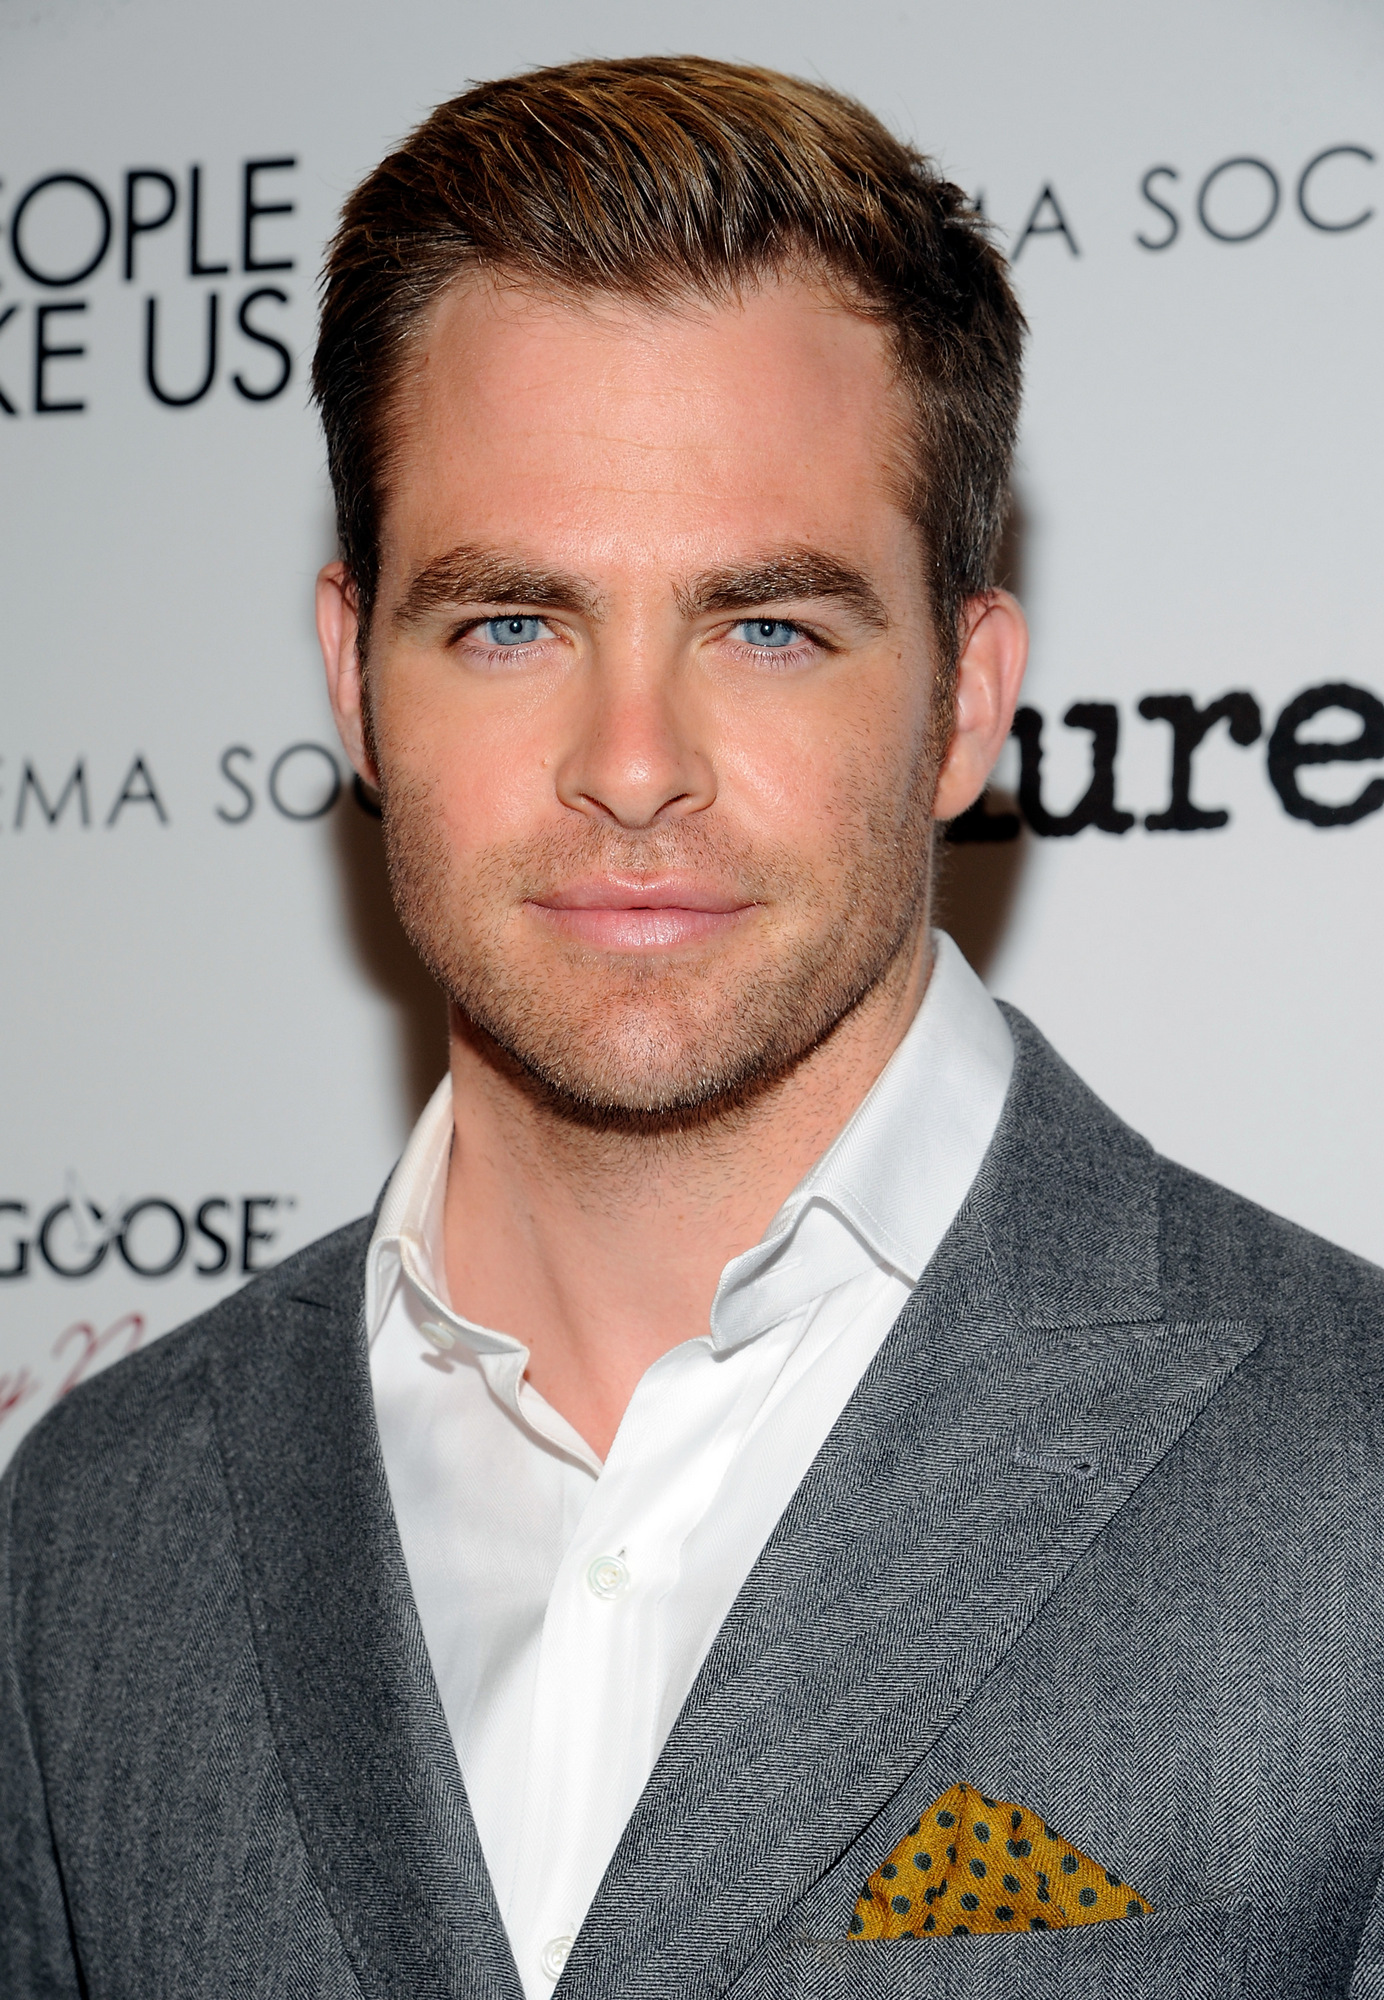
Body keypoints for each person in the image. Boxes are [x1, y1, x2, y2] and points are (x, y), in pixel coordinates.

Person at [3, 54, 1383, 2000]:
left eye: (765, 628)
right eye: (511, 624)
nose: (633, 762)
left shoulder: (1349, 1476)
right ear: (354, 677)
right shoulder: (90, 1526)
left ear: (967, 698)